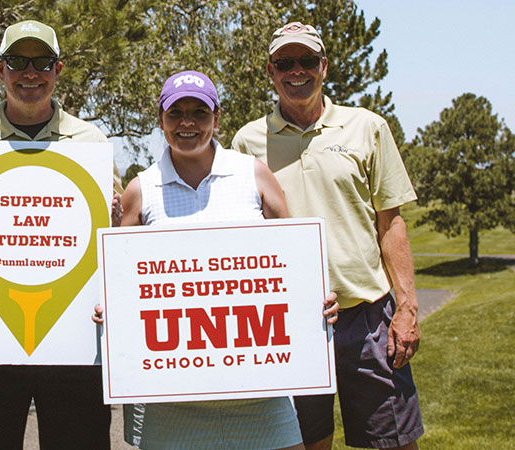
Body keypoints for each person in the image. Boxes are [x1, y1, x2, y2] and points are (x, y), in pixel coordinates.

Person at [94, 70, 339, 450]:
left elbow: (294, 267)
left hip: (260, 399)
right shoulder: (140, 190)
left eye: (199, 112)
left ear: (217, 118)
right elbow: (121, 284)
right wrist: (108, 307)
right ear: (160, 120)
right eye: (175, 113)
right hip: (171, 407)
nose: (187, 123)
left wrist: (317, 303)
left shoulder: (253, 175)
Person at [231, 22, 424, 450]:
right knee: (303, 444)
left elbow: (390, 222)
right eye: (285, 63)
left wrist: (407, 307)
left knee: (392, 442)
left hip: (368, 314)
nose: (295, 71)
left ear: (324, 66)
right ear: (270, 70)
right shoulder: (247, 142)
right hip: (289, 322)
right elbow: (240, 233)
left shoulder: (368, 127)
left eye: (305, 61)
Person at [0, 20, 119, 450]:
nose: (30, 74)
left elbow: (111, 239)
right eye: (18, 62)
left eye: (42, 63)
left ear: (58, 70)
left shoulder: (91, 141)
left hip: (73, 339)